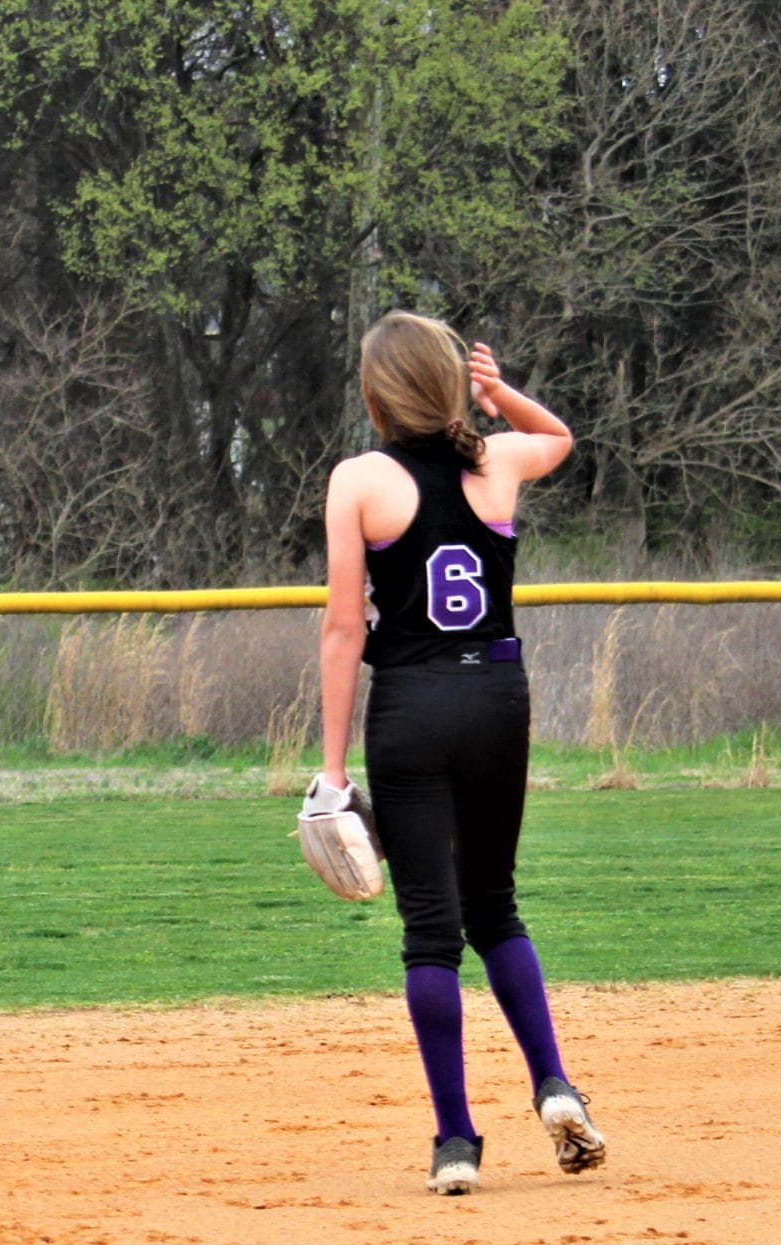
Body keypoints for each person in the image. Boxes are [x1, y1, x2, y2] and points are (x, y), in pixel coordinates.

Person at [317, 311, 607, 1196]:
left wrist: (333, 771)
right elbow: (555, 436)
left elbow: (341, 629)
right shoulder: (498, 461)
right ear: (447, 388)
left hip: (410, 703)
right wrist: (494, 397)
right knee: (497, 908)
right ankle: (554, 1083)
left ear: (375, 396)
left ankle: (454, 1143)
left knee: (430, 938)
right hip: (496, 698)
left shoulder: (360, 480)